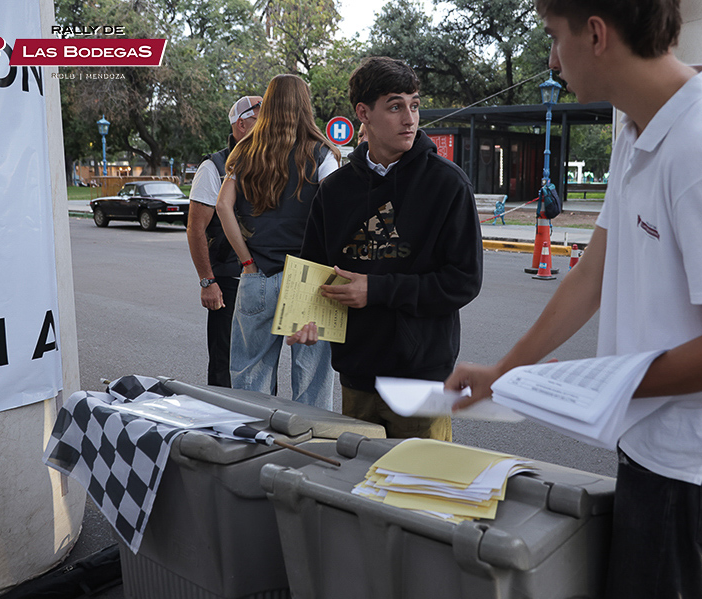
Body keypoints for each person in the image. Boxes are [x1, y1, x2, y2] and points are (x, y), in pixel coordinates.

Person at [445, 1, 702, 598]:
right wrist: (506, 370)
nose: (552, 62)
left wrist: (606, 386)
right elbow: (594, 272)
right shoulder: (638, 128)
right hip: (656, 438)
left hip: (699, 460)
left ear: (596, 34)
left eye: (554, 37)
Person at [288, 56, 483, 440]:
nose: (410, 119)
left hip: (421, 379)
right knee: (359, 475)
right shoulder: (334, 191)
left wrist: (375, 290)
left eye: (414, 105)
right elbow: (315, 269)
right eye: (395, 107)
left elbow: (464, 281)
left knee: (420, 477)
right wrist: (304, 318)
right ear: (364, 113)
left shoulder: (448, 185)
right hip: (356, 375)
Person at [214, 75, 339, 409]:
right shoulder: (322, 153)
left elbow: (223, 206)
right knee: (313, 385)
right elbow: (336, 213)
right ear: (305, 105)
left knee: (249, 382)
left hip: (258, 275)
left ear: (267, 104)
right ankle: (309, 440)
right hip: (310, 278)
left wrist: (246, 261)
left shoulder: (245, 150)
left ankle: (252, 439)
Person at [186, 95, 261, 387]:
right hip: (229, 282)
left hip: (263, 278)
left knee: (260, 366)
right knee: (224, 364)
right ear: (241, 124)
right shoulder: (213, 167)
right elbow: (195, 229)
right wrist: (208, 281)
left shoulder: (266, 163)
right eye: (261, 118)